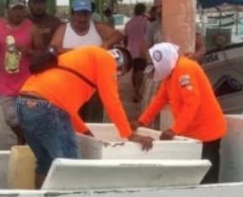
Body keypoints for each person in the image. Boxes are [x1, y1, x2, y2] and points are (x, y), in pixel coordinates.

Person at [17, 46, 154, 188]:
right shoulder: (107, 60)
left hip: (24, 104)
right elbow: (111, 101)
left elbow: (68, 110)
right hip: (47, 107)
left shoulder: (84, 59)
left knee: (44, 163)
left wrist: (86, 132)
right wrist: (130, 135)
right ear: (120, 66)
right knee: (71, 167)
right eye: (118, 75)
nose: (115, 78)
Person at [133, 42, 227, 184]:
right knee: (194, 174)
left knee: (207, 175)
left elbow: (192, 103)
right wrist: (141, 121)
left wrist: (174, 130)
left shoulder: (184, 69)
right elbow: (160, 99)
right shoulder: (171, 73)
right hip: (191, 132)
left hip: (207, 132)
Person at [50, 0, 124, 122]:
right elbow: (53, 49)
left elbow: (118, 35)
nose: (82, 19)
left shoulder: (97, 27)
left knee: (93, 122)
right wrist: (82, 54)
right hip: (71, 86)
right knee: (72, 122)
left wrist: (106, 44)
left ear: (90, 14)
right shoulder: (63, 29)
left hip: (94, 86)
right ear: (72, 14)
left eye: (86, 14)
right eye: (79, 14)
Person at [0, 0, 33, 145]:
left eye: (21, 8)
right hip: (6, 83)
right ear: (7, 9)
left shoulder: (31, 27)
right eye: (15, 9)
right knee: (11, 118)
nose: (18, 12)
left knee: (28, 119)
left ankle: (24, 146)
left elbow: (41, 53)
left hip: (28, 83)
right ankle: (28, 140)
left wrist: (27, 51)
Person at [124, 3, 149, 102]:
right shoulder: (146, 23)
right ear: (143, 11)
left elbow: (125, 37)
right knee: (140, 71)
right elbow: (148, 38)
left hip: (131, 51)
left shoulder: (129, 23)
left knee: (134, 71)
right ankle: (137, 91)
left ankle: (135, 90)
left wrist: (127, 46)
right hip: (141, 51)